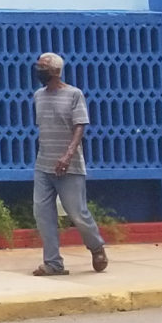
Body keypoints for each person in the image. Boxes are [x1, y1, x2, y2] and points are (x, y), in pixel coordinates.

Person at [32, 52, 109, 276]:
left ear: (56, 71)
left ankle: (96, 246)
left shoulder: (74, 94)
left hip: (69, 165)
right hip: (43, 164)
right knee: (43, 214)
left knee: (77, 213)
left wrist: (67, 155)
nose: (39, 70)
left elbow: (79, 126)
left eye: (44, 67)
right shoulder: (38, 95)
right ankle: (53, 263)